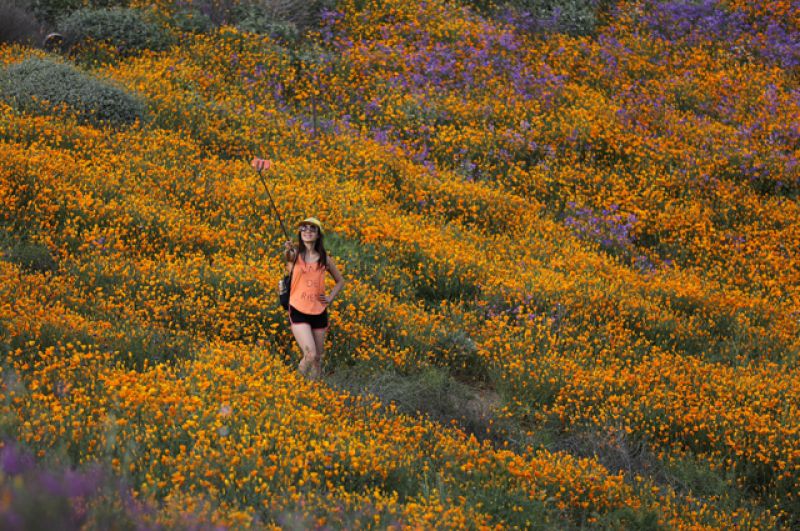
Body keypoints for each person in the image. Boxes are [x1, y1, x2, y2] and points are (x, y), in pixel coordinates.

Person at [283, 217, 345, 380]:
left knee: (317, 359)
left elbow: (340, 281)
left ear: (318, 235)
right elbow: (288, 256)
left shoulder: (324, 258)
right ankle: (293, 385)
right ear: (300, 233)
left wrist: (330, 298)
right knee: (310, 355)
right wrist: (288, 249)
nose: (308, 231)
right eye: (304, 228)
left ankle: (313, 391)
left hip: (319, 311)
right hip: (298, 309)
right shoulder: (295, 254)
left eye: (312, 229)